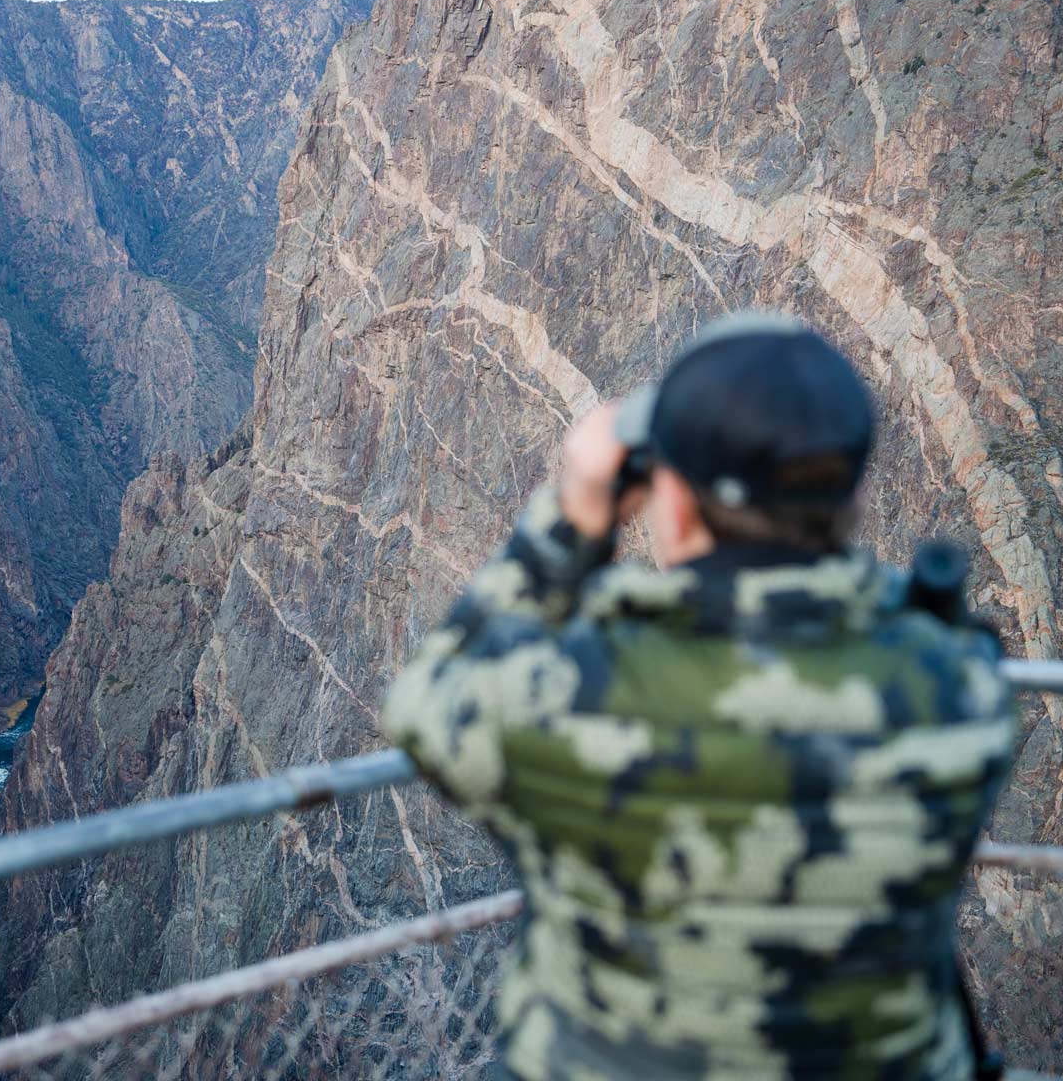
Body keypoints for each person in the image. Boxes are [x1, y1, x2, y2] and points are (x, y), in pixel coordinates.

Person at [383, 312, 1014, 1081]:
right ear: (852, 495)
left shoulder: (563, 700)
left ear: (671, 503)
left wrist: (572, 522)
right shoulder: (961, 695)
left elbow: (424, 699)